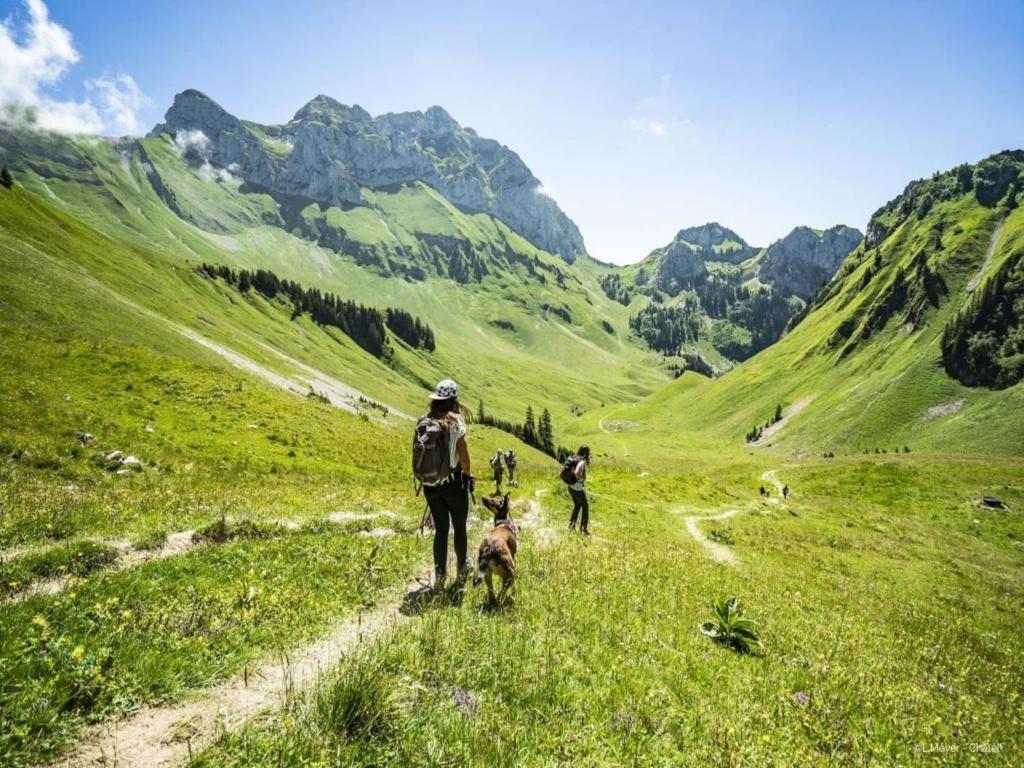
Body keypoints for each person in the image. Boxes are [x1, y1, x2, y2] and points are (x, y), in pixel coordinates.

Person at [421, 379, 474, 588]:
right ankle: (462, 569)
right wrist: (468, 476)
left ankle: (440, 576)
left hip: (431, 486)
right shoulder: (456, 423)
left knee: (441, 530)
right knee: (459, 527)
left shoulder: (426, 421)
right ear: (453, 400)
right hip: (453, 484)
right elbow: (465, 457)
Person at [568, 445, 591, 535]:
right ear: (586, 453)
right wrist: (583, 477)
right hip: (577, 489)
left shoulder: (575, 458)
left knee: (577, 506)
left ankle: (571, 525)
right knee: (585, 507)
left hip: (571, 487)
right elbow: (577, 472)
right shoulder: (582, 462)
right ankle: (583, 528)